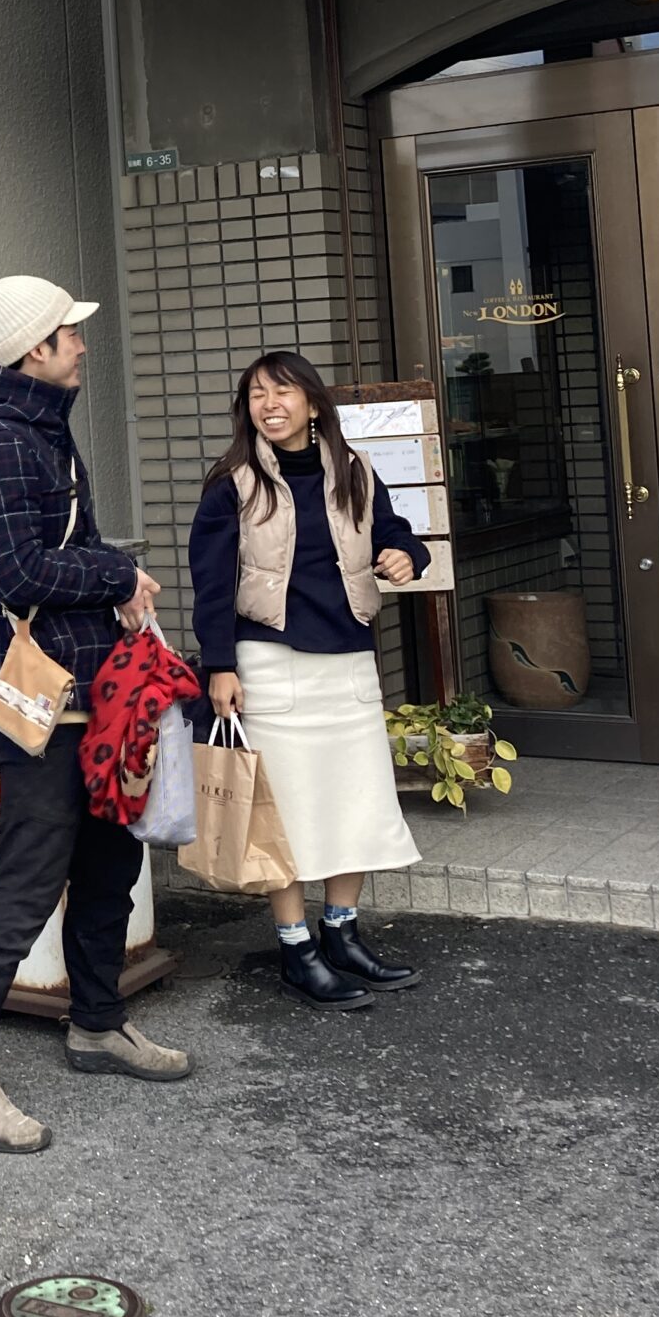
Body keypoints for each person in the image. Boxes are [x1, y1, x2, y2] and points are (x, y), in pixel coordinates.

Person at [0, 274, 192, 1155]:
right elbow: (16, 574)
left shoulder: (41, 424)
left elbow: (61, 546)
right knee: (27, 881)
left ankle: (97, 1023)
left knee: (112, 861)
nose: (81, 343)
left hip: (90, 690)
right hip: (36, 701)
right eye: (68, 332)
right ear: (32, 349)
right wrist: (117, 574)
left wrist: (117, 588)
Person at [188, 350, 428, 1010]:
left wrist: (404, 554)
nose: (269, 405)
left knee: (356, 802)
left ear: (314, 403)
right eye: (257, 395)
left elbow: (397, 533)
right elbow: (212, 585)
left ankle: (341, 935)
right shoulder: (233, 484)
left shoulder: (354, 470)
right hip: (270, 663)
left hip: (348, 661)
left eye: (283, 392)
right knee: (286, 814)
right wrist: (219, 665)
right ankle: (296, 948)